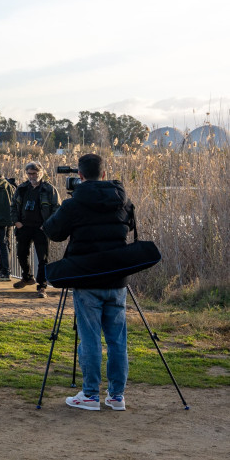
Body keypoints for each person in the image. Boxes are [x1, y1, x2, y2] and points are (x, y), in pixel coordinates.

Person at [43, 153, 133, 411]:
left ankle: (91, 395)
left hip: (87, 278)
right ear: (104, 174)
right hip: (118, 279)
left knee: (90, 338)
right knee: (117, 340)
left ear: (79, 176)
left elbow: (53, 232)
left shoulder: (75, 203)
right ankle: (116, 396)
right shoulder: (122, 200)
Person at [13, 161, 59, 296]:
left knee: (42, 258)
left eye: (34, 173)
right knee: (21, 254)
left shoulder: (49, 189)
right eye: (29, 173)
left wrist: (47, 224)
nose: (31, 176)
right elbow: (13, 207)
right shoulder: (21, 188)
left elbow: (57, 208)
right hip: (24, 227)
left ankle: (42, 285)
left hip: (41, 228)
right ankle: (27, 277)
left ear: (41, 173)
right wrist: (16, 221)